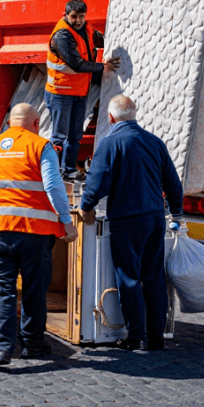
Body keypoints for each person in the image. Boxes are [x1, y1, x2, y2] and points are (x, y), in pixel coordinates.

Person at [73, 96, 183, 352]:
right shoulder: (154, 142)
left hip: (126, 220)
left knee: (130, 278)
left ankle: (135, 337)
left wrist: (86, 205)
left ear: (111, 118)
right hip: (155, 218)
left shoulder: (110, 143)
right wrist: (176, 214)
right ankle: (156, 338)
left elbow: (96, 183)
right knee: (154, 277)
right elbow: (173, 183)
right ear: (134, 115)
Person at [0, 103, 78, 368]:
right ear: (35, 124)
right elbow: (54, 186)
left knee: (2, 289)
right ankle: (32, 344)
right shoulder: (40, 145)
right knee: (34, 288)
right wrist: (66, 222)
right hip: (33, 231)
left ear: (10, 122)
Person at [44, 0, 120, 181]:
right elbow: (77, 64)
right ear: (66, 15)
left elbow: (99, 40)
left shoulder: (87, 28)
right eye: (74, 17)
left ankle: (69, 170)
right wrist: (104, 67)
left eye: (81, 16)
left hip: (78, 91)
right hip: (60, 92)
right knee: (59, 136)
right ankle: (53, 173)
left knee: (75, 135)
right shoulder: (62, 36)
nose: (78, 20)